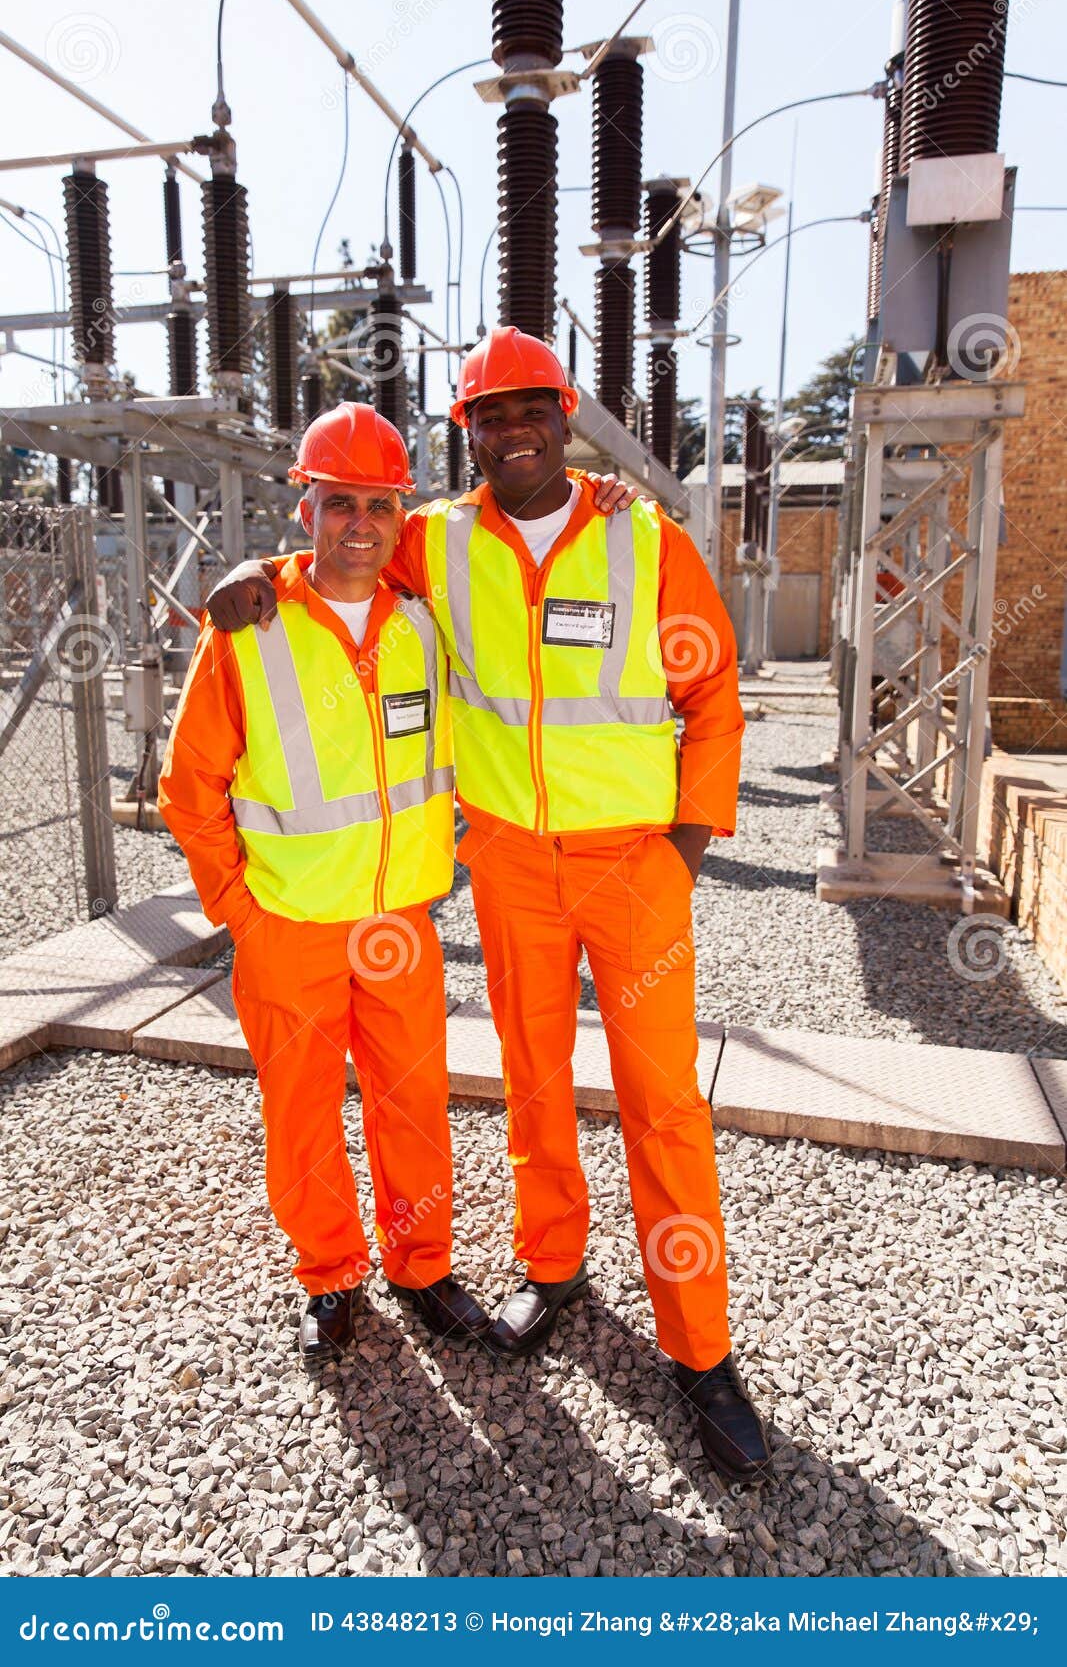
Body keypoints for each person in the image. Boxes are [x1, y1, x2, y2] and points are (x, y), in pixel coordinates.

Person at [208, 328, 770, 1481]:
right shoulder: (436, 539)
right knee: (530, 1076)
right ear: (466, 432)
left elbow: (712, 691)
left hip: (632, 870)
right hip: (508, 861)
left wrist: (684, 849)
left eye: (530, 409)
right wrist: (259, 576)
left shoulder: (643, 537)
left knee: (663, 1102)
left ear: (565, 416)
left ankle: (699, 1351)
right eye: (488, 415)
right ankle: (552, 1266)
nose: (511, 430)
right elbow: (337, 557)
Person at [159, 404, 491, 1361]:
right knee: (301, 1114)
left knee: (414, 1105)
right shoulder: (250, 627)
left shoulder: (427, 626)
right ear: (305, 508)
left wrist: (603, 497)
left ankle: (422, 1267)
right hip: (290, 928)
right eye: (337, 501)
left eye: (379, 505)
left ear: (401, 516)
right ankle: (330, 1276)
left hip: (400, 920)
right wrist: (237, 911)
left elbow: (509, 532)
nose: (359, 524)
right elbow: (191, 788)